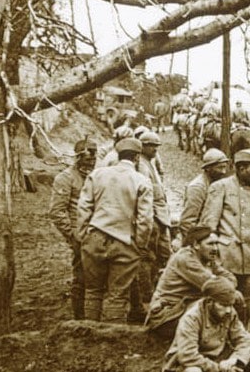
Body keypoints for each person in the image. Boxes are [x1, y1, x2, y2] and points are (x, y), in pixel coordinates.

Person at [76, 137, 153, 322]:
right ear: (137, 157)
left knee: (93, 291)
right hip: (124, 241)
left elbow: (83, 208)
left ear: (118, 155)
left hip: (95, 237)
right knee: (117, 296)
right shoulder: (141, 180)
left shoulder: (97, 175)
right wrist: (140, 244)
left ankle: (90, 332)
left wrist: (83, 235)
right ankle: (111, 335)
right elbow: (145, 219)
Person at [198, 147, 250, 328]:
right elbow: (208, 226)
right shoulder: (220, 187)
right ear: (241, 169)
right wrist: (213, 259)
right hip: (227, 258)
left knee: (248, 303)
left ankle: (244, 335)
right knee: (224, 301)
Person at [146, 226, 238, 340]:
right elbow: (217, 287)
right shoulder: (185, 258)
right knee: (221, 301)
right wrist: (223, 284)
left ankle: (228, 338)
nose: (215, 248)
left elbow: (231, 279)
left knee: (226, 299)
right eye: (210, 244)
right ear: (196, 245)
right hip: (166, 316)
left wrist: (224, 285)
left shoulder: (207, 259)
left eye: (216, 244)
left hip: (184, 309)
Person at [48, 138, 97, 319]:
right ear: (78, 157)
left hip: (100, 232)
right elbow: (56, 211)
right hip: (81, 235)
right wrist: (72, 235)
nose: (92, 160)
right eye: (88, 156)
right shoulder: (65, 178)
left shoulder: (98, 175)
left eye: (94, 156)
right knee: (81, 278)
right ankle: (80, 319)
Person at [136, 131, 173, 311]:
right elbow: (146, 194)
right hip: (153, 216)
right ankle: (147, 295)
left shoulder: (150, 162)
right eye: (152, 146)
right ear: (143, 146)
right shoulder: (142, 165)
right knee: (150, 256)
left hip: (160, 214)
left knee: (161, 255)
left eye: (156, 146)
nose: (155, 150)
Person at [178, 148, 229, 241]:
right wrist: (196, 243)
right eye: (220, 167)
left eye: (224, 167)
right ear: (208, 168)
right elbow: (187, 222)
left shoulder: (218, 183)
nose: (223, 171)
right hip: (202, 237)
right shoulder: (197, 188)